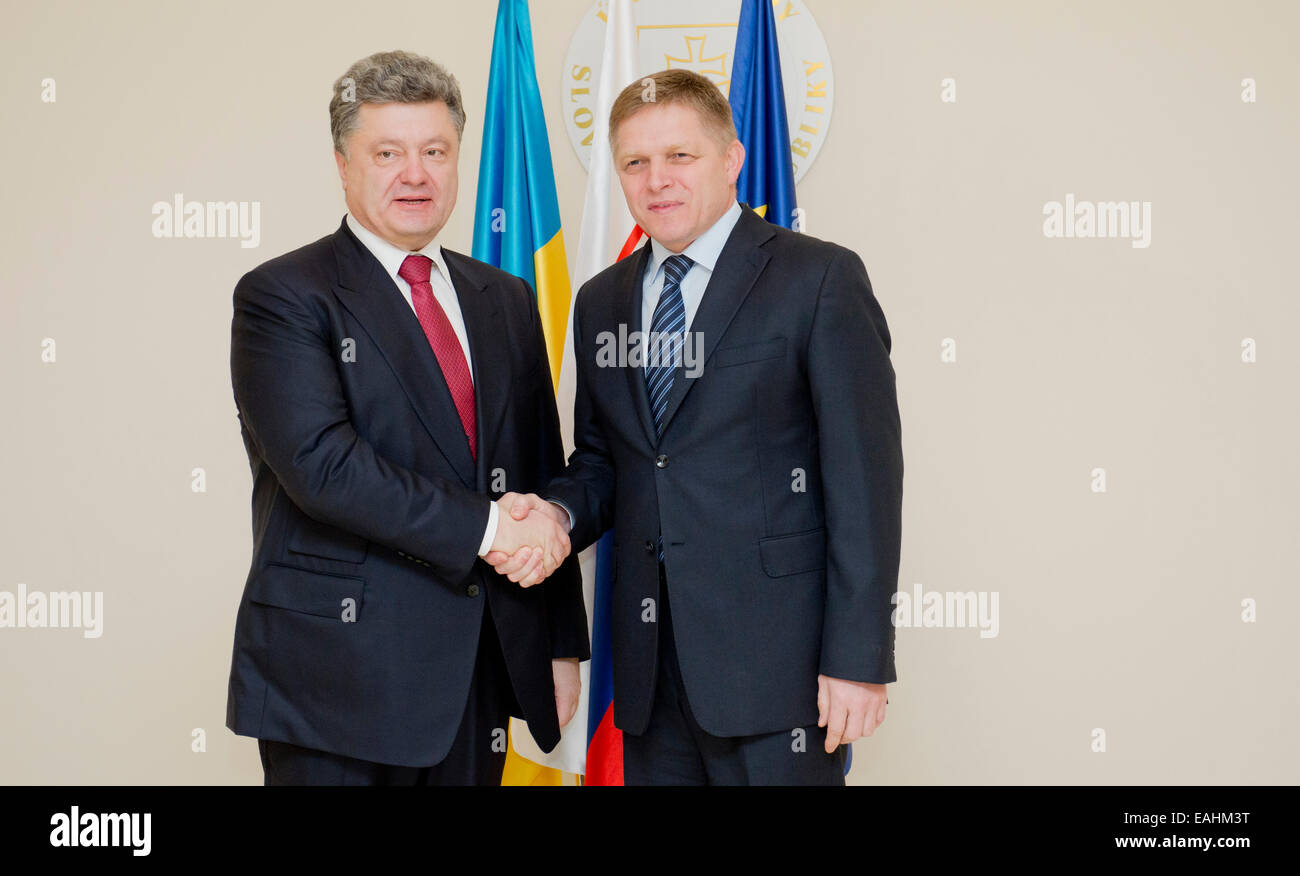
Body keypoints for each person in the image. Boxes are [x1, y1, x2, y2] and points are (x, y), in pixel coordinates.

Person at [497, 69, 903, 785]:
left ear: (731, 159)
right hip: (652, 678)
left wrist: (857, 661)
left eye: (679, 156)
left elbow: (865, 483)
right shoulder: (602, 302)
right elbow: (605, 460)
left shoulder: (818, 280)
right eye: (635, 162)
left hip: (787, 676)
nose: (658, 180)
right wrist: (555, 512)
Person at [225, 50, 585, 785]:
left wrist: (557, 642)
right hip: (336, 685)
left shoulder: (505, 297)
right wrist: (491, 529)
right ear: (342, 163)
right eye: (387, 153)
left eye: (434, 151)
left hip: (479, 673)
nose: (414, 175)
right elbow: (325, 469)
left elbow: (540, 470)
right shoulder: (283, 296)